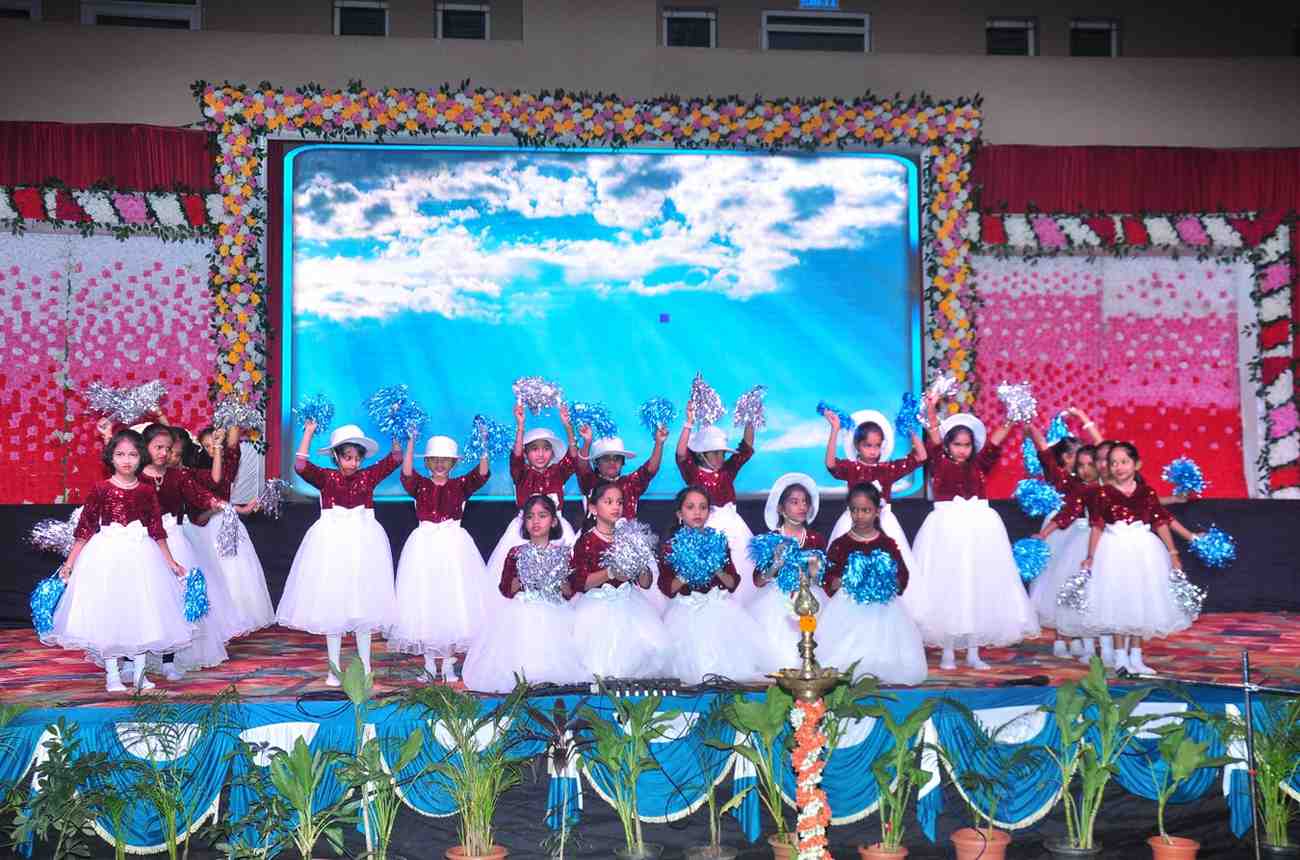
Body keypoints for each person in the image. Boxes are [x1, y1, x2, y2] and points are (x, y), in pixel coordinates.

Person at [44, 429, 193, 692]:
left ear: (141, 457)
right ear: (111, 457)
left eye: (133, 454)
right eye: (120, 454)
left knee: (142, 611)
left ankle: (139, 674)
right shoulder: (101, 489)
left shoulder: (146, 491)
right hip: (107, 555)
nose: (126, 460)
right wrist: (70, 563)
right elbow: (85, 528)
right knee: (110, 612)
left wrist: (171, 562)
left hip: (142, 556)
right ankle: (112, 675)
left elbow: (157, 530)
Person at [903, 391, 1039, 670]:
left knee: (977, 586)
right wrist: (931, 408)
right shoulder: (939, 460)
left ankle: (974, 652)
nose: (962, 450)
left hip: (979, 530)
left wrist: (1011, 417)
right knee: (948, 586)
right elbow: (934, 434)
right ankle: (948, 651)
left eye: (967, 445)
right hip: (947, 530)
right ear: (948, 445)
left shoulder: (979, 464)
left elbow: (996, 441)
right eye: (957, 444)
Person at [277, 420, 401, 686]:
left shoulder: (368, 477)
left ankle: (366, 667)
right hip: (332, 546)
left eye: (357, 458)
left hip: (364, 546)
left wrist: (396, 430)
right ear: (336, 456)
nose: (353, 463)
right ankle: (333, 669)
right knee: (332, 606)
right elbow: (301, 466)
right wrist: (308, 433)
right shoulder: (326, 478)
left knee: (364, 606)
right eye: (347, 457)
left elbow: (394, 460)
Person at [1079, 442, 1204, 675]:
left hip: (1143, 549)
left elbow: (1160, 522)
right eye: (1113, 463)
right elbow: (1097, 526)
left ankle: (1136, 657)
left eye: (1124, 462)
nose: (1118, 467)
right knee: (1117, 602)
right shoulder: (1103, 493)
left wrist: (1173, 553)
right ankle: (1120, 658)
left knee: (1140, 600)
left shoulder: (1147, 493)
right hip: (1114, 549)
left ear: (1137, 464)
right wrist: (1090, 557)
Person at [388, 431, 491, 683]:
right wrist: (411, 442)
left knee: (451, 603)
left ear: (453, 463)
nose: (440, 464)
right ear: (427, 462)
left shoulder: (460, 486)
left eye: (445, 460)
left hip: (454, 549)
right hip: (424, 549)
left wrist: (484, 444)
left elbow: (482, 474)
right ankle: (428, 665)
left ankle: (447, 665)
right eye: (434, 459)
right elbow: (406, 473)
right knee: (425, 602)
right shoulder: (420, 485)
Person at [461, 495, 587, 692]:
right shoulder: (516, 553)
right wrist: (524, 577)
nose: (536, 521)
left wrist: (557, 578)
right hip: (523, 609)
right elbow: (505, 589)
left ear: (554, 521)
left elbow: (569, 592)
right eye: (530, 517)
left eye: (542, 516)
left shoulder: (562, 553)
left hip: (555, 611)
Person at [819, 482, 927, 686]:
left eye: (866, 510)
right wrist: (844, 579)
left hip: (884, 608)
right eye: (854, 510)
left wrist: (887, 578)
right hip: (848, 607)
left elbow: (902, 576)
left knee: (884, 646)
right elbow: (828, 579)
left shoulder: (886, 544)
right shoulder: (841, 544)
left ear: (877, 511)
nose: (859, 515)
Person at [657, 485, 762, 685]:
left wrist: (716, 569)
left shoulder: (718, 541)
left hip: (720, 610)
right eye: (690, 507)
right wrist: (688, 572)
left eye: (703, 507)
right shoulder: (671, 546)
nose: (697, 512)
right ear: (680, 514)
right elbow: (667, 588)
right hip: (685, 613)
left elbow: (732, 582)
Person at [568, 482, 670, 679]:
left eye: (619, 502)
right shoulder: (586, 541)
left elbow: (646, 583)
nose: (615, 507)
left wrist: (640, 561)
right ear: (593, 508)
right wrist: (611, 572)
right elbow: (580, 583)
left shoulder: (629, 538)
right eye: (608, 502)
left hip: (630, 603)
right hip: (597, 606)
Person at [484, 400, 579, 592]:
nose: (540, 454)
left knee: (564, 579)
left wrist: (568, 426)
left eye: (546, 448)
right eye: (534, 449)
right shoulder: (521, 473)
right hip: (523, 532)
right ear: (527, 453)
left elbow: (573, 457)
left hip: (557, 531)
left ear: (552, 452)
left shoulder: (558, 472)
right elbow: (516, 457)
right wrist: (520, 426)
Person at [823, 409, 926, 576]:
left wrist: (911, 429)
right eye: (867, 445)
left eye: (877, 445)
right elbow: (830, 464)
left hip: (884, 523)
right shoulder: (851, 469)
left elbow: (921, 457)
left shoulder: (888, 469)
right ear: (857, 445)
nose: (873, 450)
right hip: (853, 523)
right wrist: (835, 429)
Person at [675, 401, 758, 604]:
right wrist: (688, 423)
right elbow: (681, 454)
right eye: (715, 453)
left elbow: (746, 449)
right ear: (701, 454)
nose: (721, 457)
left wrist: (750, 418)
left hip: (735, 528)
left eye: (722, 453)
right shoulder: (693, 473)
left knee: (743, 568)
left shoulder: (727, 471)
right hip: (705, 527)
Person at [747, 473, 828, 674]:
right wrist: (776, 563)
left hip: (808, 597)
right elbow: (758, 580)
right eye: (794, 502)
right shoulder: (771, 539)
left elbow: (820, 579)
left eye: (805, 502)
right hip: (775, 600)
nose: (802, 507)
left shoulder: (815, 539)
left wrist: (815, 570)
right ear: (781, 508)